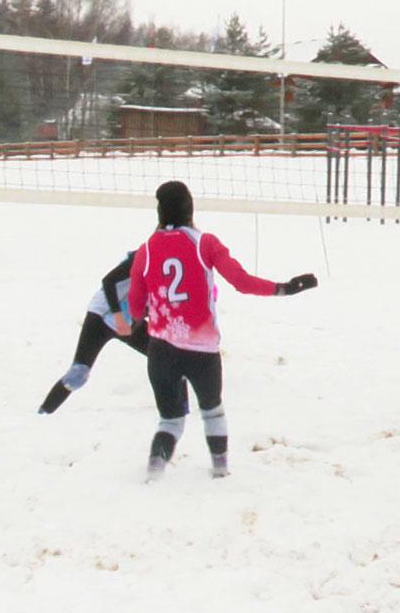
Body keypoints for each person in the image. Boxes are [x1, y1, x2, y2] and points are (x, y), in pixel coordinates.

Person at [128, 181, 318, 480]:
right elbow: (241, 282)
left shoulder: (145, 250)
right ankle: (220, 470)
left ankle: (154, 475)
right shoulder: (206, 243)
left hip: (161, 350)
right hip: (201, 351)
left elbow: (136, 309)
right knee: (212, 410)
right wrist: (284, 289)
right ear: (191, 209)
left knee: (170, 420)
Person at [37, 251, 164, 414]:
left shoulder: (177, 267)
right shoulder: (145, 255)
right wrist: (118, 316)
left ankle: (179, 412)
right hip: (102, 317)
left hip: (130, 322)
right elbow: (108, 281)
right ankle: (43, 413)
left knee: (168, 360)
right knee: (78, 374)